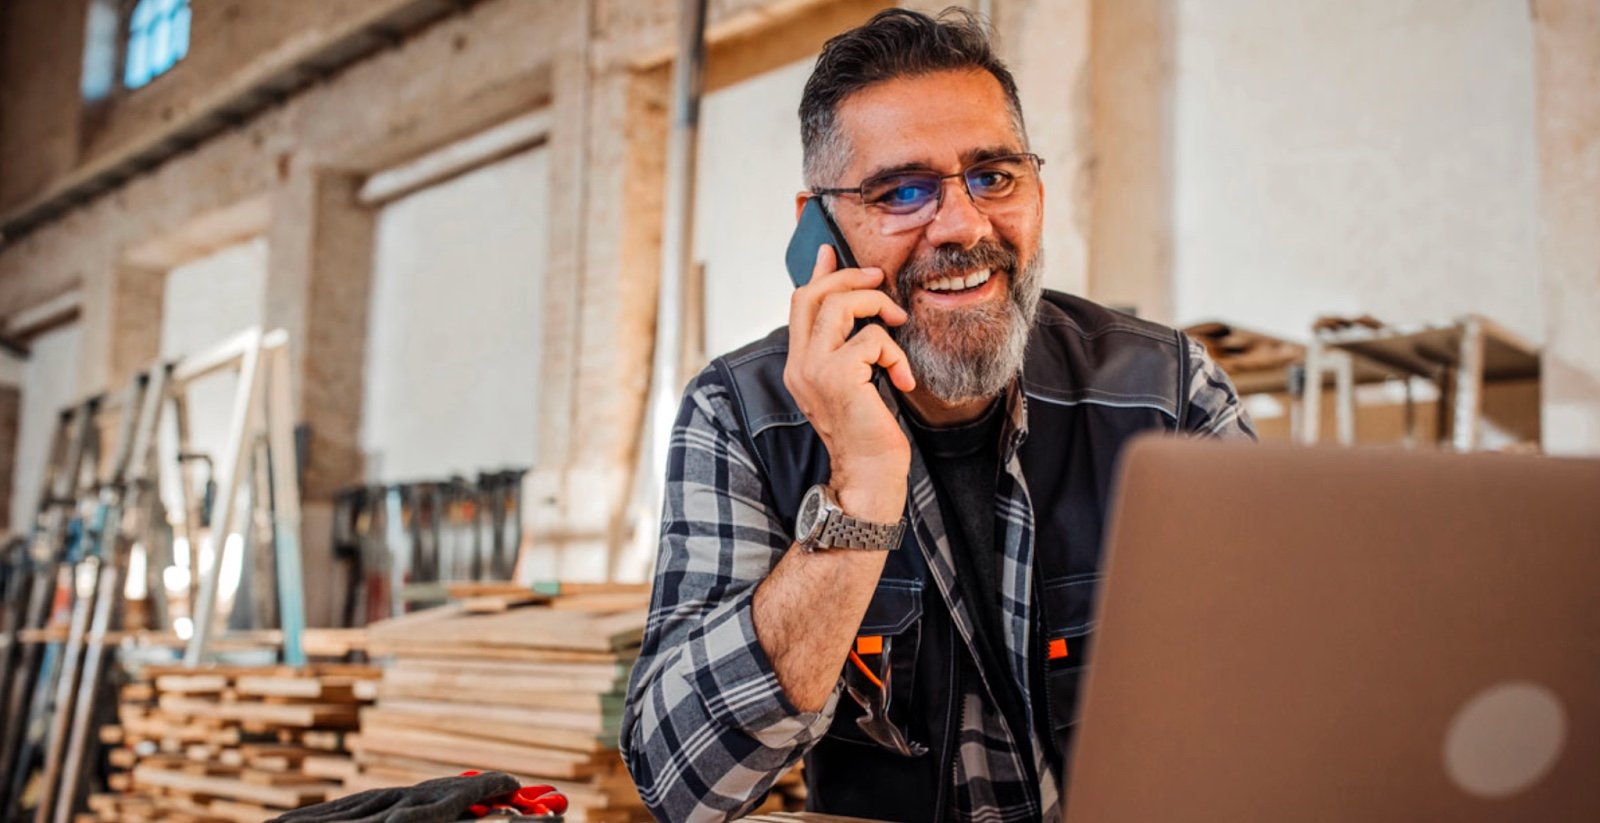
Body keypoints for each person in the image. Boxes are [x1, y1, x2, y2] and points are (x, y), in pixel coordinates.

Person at [620, 8, 1255, 821]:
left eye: (994, 175)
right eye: (903, 190)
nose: (964, 225)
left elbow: (1282, 695)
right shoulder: (741, 417)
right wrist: (860, 492)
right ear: (818, 230)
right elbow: (684, 784)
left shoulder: (1167, 394)